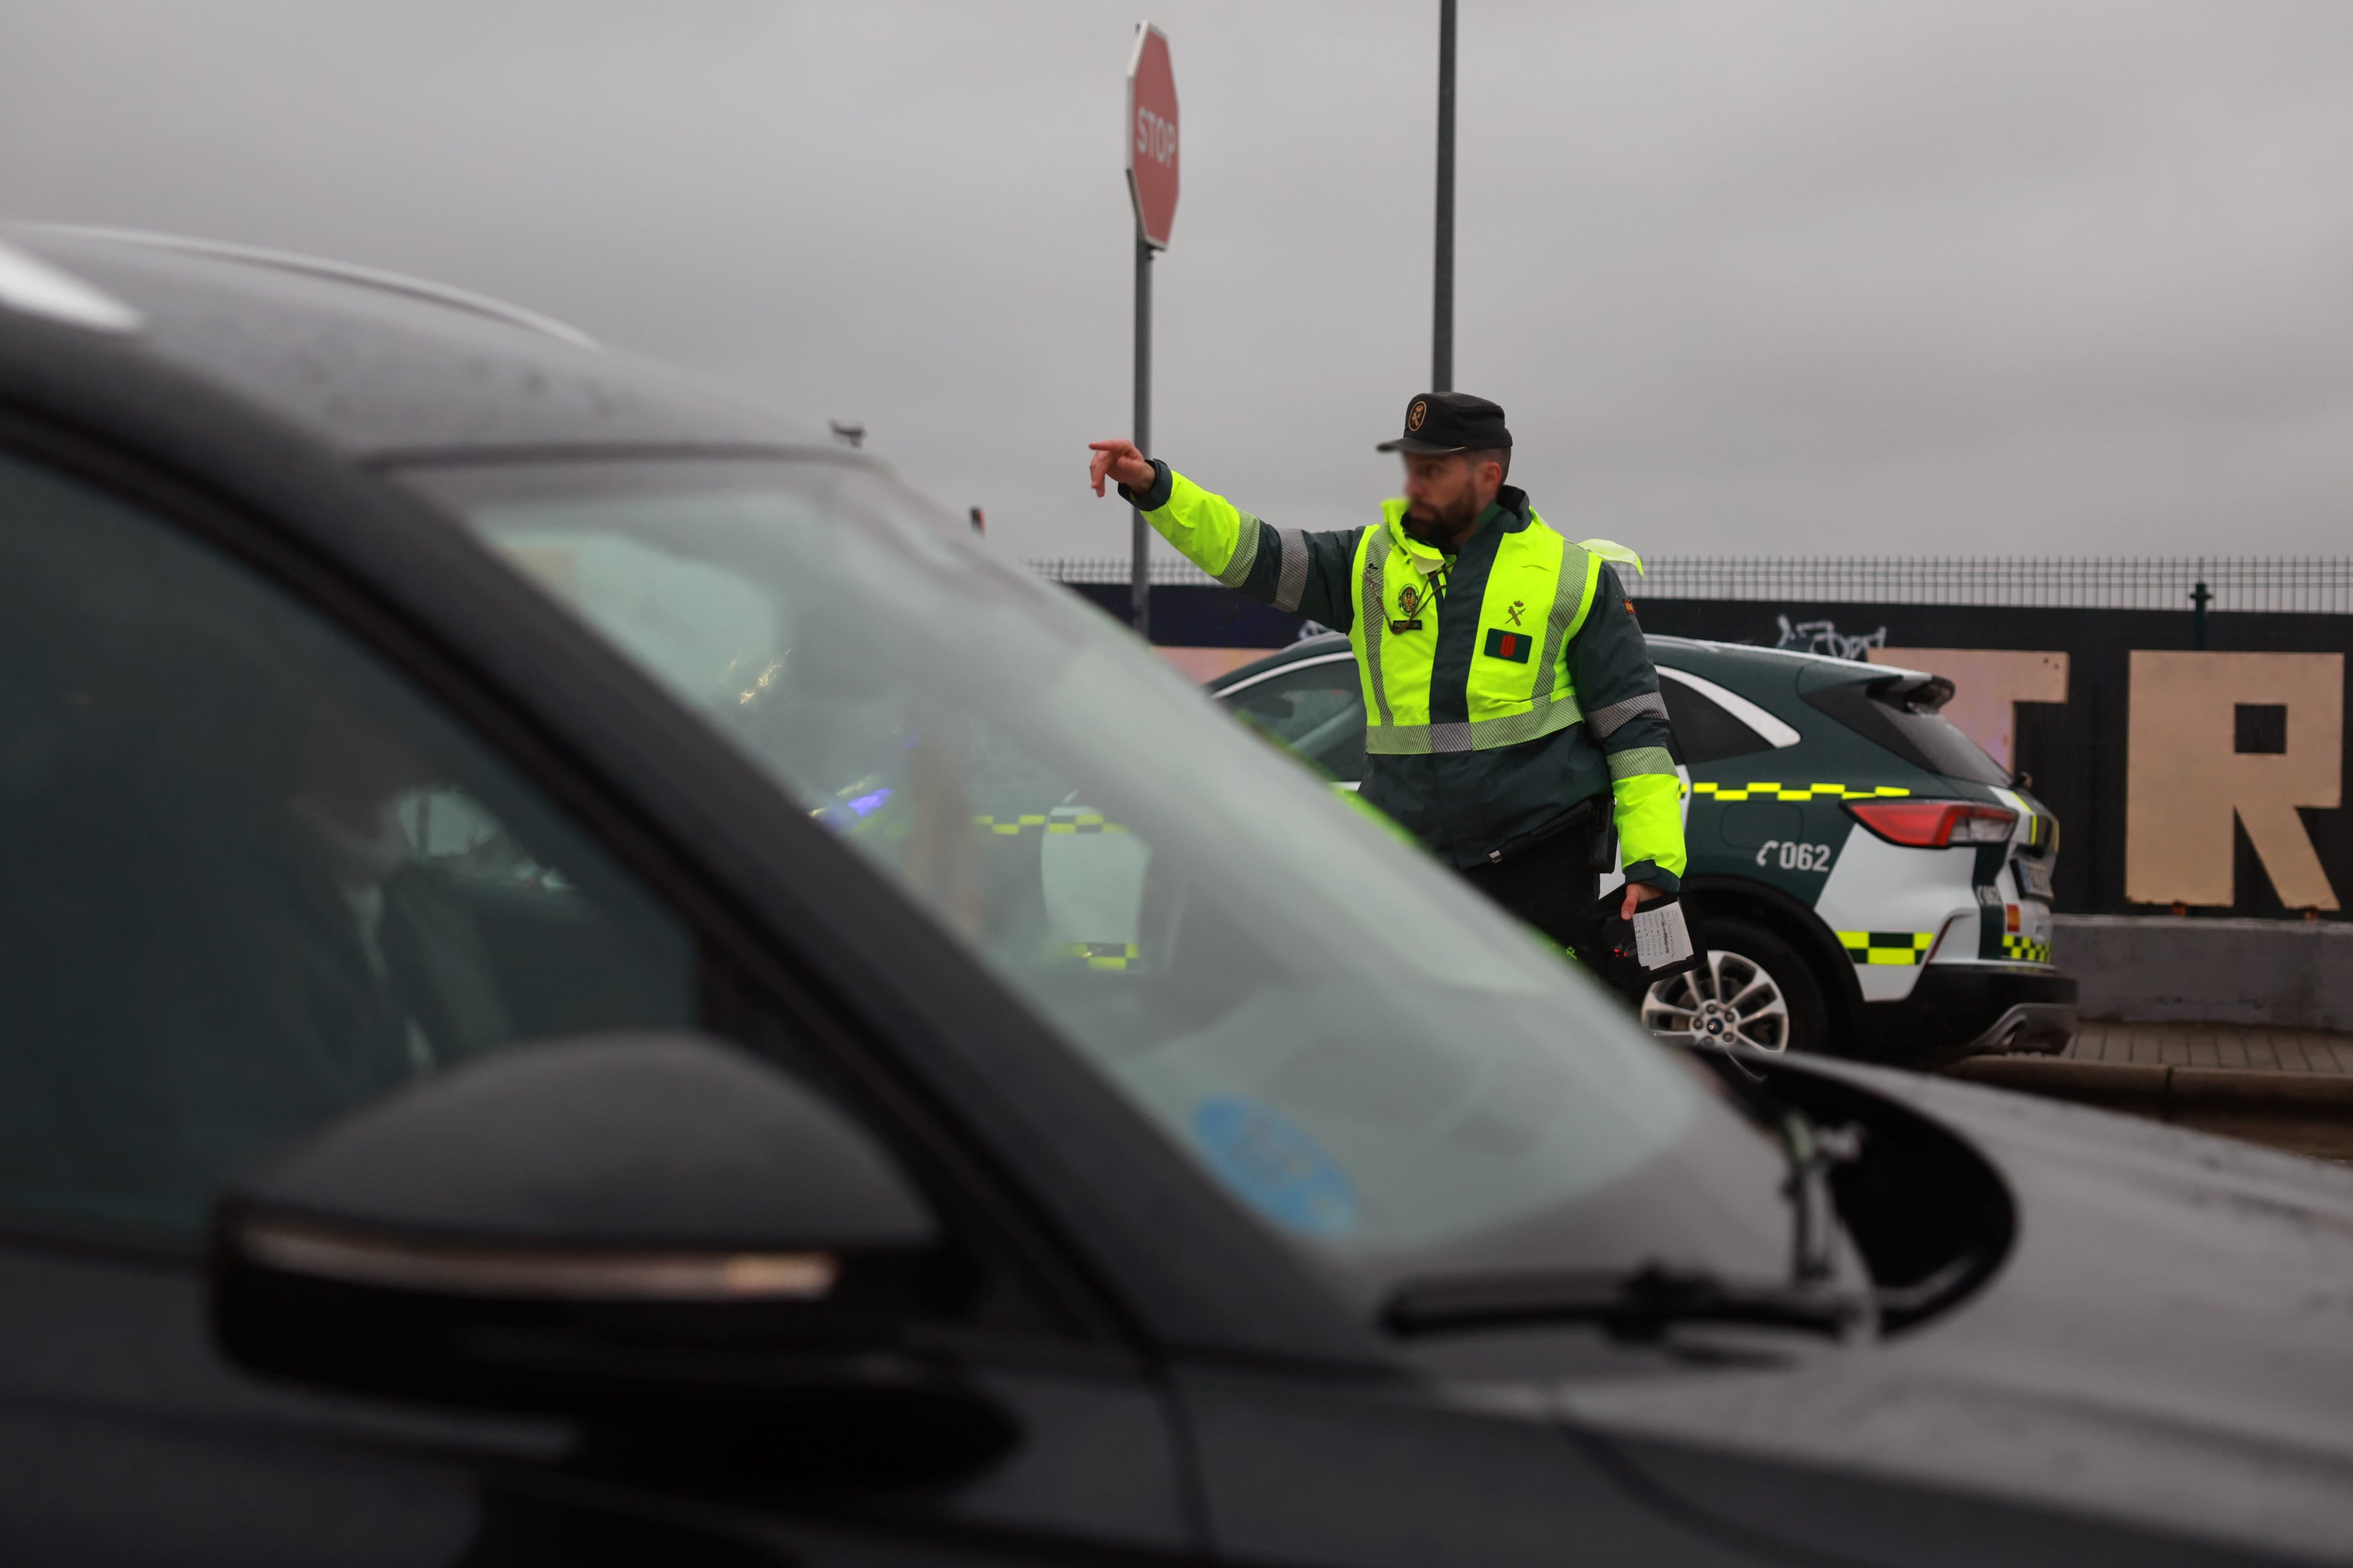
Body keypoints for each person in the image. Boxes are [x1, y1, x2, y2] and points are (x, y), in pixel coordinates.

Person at [1087, 391, 1686, 973]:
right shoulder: (1368, 563)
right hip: (1405, 872)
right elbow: (1253, 552)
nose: (1415, 481)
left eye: (1435, 466)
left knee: (1533, 1047)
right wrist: (1155, 487)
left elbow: (1636, 734)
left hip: (1534, 873)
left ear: (1487, 474)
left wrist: (1652, 866)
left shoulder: (1574, 577)